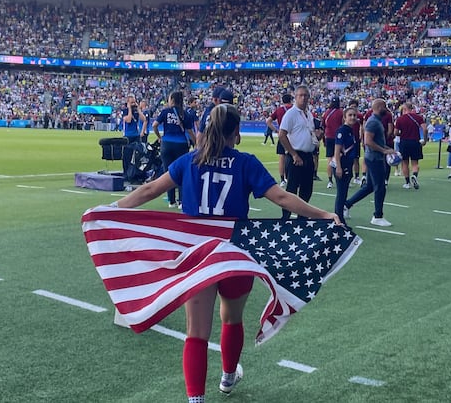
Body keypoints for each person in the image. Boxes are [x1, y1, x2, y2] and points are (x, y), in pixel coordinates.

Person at [110, 103, 340, 403]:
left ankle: (195, 399)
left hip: (197, 256)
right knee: (232, 320)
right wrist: (323, 214)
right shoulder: (246, 163)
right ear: (236, 132)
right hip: (233, 253)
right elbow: (281, 197)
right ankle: (228, 378)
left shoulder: (189, 161)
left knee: (197, 332)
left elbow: (148, 190)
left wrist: (109, 211)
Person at [343, 98, 396, 227]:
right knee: (380, 187)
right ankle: (377, 216)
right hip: (374, 158)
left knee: (370, 186)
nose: (386, 109)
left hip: (373, 157)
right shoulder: (373, 122)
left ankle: (347, 204)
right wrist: (383, 150)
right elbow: (368, 141)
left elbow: (375, 141)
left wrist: (387, 149)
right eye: (384, 107)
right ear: (378, 107)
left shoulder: (376, 121)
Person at [278, 85, 319, 220]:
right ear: (295, 97)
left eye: (306, 95)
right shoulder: (291, 113)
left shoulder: (308, 114)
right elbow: (282, 134)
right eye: (300, 95)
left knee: (307, 190)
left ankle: (302, 218)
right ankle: (285, 218)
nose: (303, 98)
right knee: (291, 190)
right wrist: (294, 154)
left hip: (308, 155)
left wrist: (317, 136)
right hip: (296, 155)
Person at [153, 90, 196, 208]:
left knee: (168, 172)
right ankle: (182, 201)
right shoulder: (185, 114)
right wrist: (196, 143)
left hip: (166, 144)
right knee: (182, 172)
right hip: (181, 145)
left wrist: (159, 137)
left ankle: (171, 201)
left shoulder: (165, 112)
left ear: (172, 100)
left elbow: (154, 125)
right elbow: (190, 131)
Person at [332, 107, 358, 224]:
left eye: (354, 115)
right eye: (350, 115)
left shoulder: (350, 130)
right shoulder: (342, 130)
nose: (353, 117)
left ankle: (339, 218)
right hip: (341, 165)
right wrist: (338, 167)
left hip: (347, 165)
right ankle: (339, 219)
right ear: (344, 117)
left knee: (344, 192)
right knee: (341, 193)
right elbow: (337, 150)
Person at [394, 102, 427, 190]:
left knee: (404, 162)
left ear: (404, 109)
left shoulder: (400, 119)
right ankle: (414, 175)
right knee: (415, 162)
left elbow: (395, 132)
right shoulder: (418, 117)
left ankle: (407, 182)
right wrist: (425, 139)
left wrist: (402, 133)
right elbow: (425, 129)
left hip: (404, 142)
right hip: (415, 141)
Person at [266, 93, 293, 187]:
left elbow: (268, 121)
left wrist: (276, 131)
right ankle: (291, 177)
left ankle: (282, 179)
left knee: (281, 158)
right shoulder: (294, 109)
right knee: (293, 156)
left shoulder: (279, 110)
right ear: (291, 100)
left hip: (282, 135)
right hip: (293, 136)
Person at [322, 97, 344, 189]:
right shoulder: (341, 112)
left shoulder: (326, 113)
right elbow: (343, 124)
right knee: (339, 158)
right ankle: (340, 179)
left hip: (329, 137)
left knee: (329, 159)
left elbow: (323, 126)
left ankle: (330, 181)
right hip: (338, 137)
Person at [121, 96, 142, 180]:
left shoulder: (136, 112)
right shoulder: (125, 111)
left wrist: (138, 109)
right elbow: (128, 120)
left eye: (134, 102)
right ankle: (126, 173)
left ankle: (136, 173)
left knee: (138, 155)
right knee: (127, 155)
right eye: (131, 102)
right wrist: (129, 109)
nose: (133, 104)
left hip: (136, 135)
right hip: (128, 136)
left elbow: (143, 119)